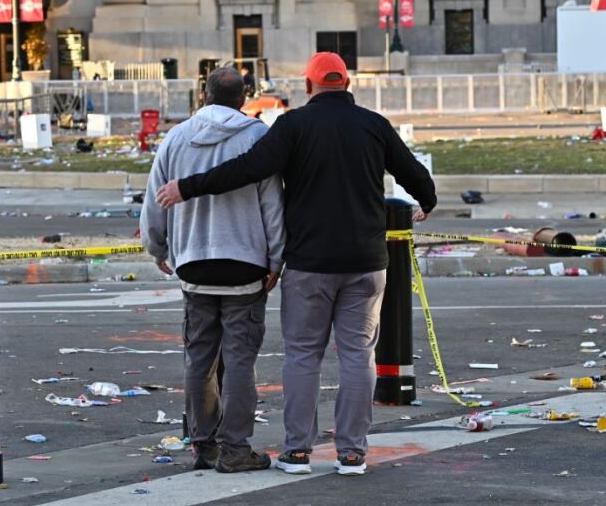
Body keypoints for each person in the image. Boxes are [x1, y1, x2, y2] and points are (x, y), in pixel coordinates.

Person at [156, 52, 436, 476]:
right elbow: (414, 174)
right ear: (346, 84)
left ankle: (298, 451)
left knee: (303, 355)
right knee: (359, 354)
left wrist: (187, 188)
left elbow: (248, 170)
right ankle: (352, 452)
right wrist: (426, 202)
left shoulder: (293, 126)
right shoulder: (374, 125)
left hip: (309, 264)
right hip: (366, 262)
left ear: (308, 87)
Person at [141, 66, 285, 474]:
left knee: (199, 358)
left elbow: (155, 200)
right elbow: (272, 204)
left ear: (202, 95)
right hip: (245, 263)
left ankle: (202, 445)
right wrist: (276, 258)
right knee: (240, 360)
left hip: (194, 263)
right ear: (244, 98)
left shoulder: (177, 137)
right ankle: (235, 449)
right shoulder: (257, 137)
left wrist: (158, 247)